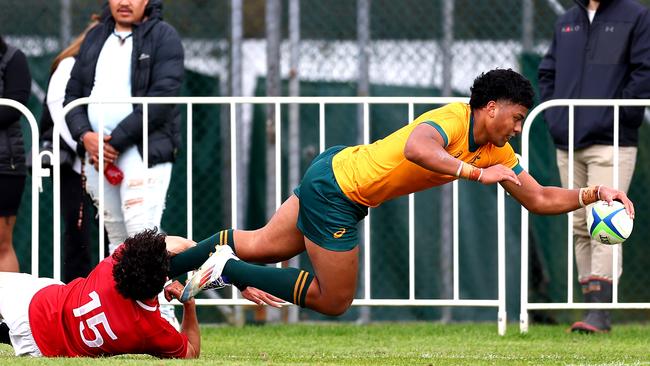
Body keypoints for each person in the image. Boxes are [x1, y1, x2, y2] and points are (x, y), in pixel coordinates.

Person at [172, 69, 634, 317]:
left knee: (259, 244)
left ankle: (160, 266)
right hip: (337, 188)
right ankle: (227, 269)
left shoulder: (498, 150)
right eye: (514, 117)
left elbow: (537, 199)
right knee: (334, 300)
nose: (517, 127)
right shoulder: (454, 118)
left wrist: (595, 193)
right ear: (490, 107)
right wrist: (473, 176)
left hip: (335, 171)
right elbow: (418, 147)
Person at [64, 0, 184, 326]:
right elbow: (72, 95)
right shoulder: (94, 37)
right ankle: (124, 320)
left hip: (143, 151)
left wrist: (112, 143)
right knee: (116, 239)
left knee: (142, 234)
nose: (125, 2)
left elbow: (163, 96)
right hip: (97, 154)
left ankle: (165, 318)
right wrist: (84, 136)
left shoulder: (164, 36)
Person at [538, 0, 650, 333]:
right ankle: (591, 307)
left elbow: (645, 72)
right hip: (567, 142)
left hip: (612, 141)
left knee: (606, 219)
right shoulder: (567, 22)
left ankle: (600, 313)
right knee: (578, 225)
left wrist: (618, 115)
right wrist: (555, 116)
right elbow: (547, 73)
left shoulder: (636, 16)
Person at [0, 228, 280, 358]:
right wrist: (190, 305)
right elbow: (192, 351)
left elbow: (180, 245)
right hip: (41, 343)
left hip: (36, 300)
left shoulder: (112, 265)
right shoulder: (149, 329)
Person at [40, 19, 99, 283]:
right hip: (74, 165)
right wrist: (85, 145)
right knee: (79, 236)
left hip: (105, 162)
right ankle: (75, 299)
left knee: (115, 236)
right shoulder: (69, 65)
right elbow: (60, 112)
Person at [0, 36, 31, 273]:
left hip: (4, 165)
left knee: (1, 243)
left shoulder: (13, 58)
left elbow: (13, 107)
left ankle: (6, 309)